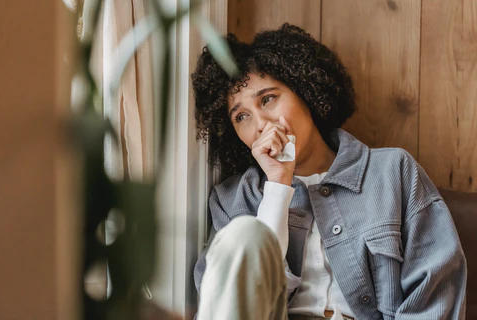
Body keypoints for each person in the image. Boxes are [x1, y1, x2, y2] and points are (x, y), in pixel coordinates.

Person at [191, 24, 466, 320]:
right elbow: (229, 305)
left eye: (268, 98)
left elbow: (436, 293)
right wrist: (278, 186)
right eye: (241, 116)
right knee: (243, 237)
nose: (260, 124)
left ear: (304, 90)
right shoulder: (232, 199)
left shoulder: (393, 172)